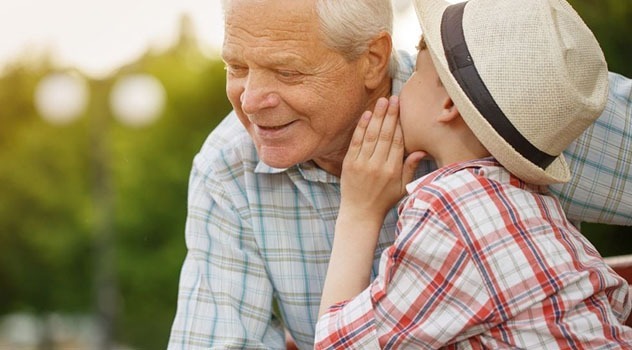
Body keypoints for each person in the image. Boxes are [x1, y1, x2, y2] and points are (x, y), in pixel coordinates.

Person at [168, 0, 632, 348]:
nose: (249, 100)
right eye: (237, 67)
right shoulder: (228, 171)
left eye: (287, 72)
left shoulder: (513, 95)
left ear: (373, 59)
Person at [314, 0, 632, 348]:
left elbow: (337, 344)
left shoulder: (448, 209)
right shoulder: (535, 203)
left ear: (449, 105)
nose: (402, 88)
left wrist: (359, 211)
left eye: (417, 74)